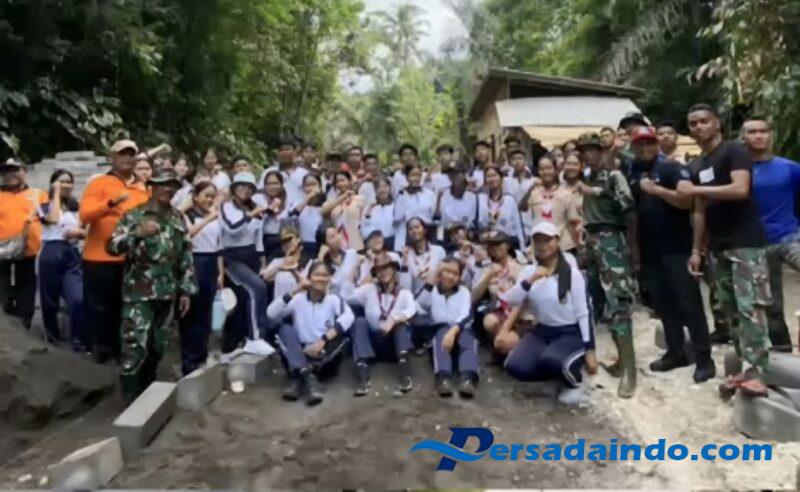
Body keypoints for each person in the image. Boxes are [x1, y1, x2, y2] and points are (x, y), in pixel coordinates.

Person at [679, 104, 771, 397]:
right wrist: (696, 250)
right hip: (717, 246)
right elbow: (699, 211)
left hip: (746, 242)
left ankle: (757, 372)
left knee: (751, 307)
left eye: (704, 121)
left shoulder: (734, 151)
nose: (699, 127)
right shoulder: (697, 164)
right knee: (729, 311)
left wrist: (695, 190)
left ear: (717, 123)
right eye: (693, 123)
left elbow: (740, 189)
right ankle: (745, 367)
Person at [627, 127, 715, 382]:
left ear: (656, 144)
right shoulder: (634, 171)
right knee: (664, 304)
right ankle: (675, 352)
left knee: (689, 304)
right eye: (639, 144)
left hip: (677, 248)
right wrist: (634, 247)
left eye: (648, 143)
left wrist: (657, 191)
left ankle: (704, 359)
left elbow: (686, 199)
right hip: (650, 249)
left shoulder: (670, 168)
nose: (644, 148)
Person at [106, 169, 196, 403]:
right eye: (163, 184)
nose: (168, 189)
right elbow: (112, 246)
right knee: (135, 345)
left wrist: (185, 290)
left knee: (158, 345)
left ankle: (147, 393)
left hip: (167, 293)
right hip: (138, 293)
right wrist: (137, 233)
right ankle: (130, 397)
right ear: (152, 187)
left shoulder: (177, 218)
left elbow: (186, 254)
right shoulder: (134, 215)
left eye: (172, 186)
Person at [501, 221, 597, 404]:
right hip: (543, 331)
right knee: (514, 366)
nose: (542, 245)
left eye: (547, 240)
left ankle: (578, 382)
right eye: (538, 241)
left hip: (571, 331)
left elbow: (584, 312)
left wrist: (590, 349)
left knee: (551, 360)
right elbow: (511, 299)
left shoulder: (571, 273)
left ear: (557, 241)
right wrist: (532, 278)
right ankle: (554, 378)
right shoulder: (529, 271)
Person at [575, 132, 637, 398]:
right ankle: (621, 361)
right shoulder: (588, 177)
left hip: (612, 240)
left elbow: (629, 210)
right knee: (601, 303)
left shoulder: (614, 176)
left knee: (619, 303)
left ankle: (630, 373)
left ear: (602, 151)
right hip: (593, 241)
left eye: (592, 149)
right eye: (583, 151)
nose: (587, 154)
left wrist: (633, 248)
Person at [80, 139, 150, 362]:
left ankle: (123, 351)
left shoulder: (143, 187)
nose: (127, 158)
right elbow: (85, 216)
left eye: (131, 154)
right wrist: (111, 203)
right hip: (99, 257)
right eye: (122, 154)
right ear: (112, 158)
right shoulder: (99, 183)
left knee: (127, 306)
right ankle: (101, 349)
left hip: (132, 259)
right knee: (99, 307)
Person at [744, 116, 800, 352]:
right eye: (752, 132)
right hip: (758, 243)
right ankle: (782, 349)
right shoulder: (739, 171)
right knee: (771, 303)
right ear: (743, 137)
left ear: (770, 135)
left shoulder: (791, 168)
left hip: (790, 237)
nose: (758, 136)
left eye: (763, 131)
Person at [268, 261, 355, 406]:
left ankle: (299, 379)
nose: (321, 278)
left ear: (329, 279)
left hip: (323, 356)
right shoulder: (298, 299)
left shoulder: (333, 299)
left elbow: (348, 317)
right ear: (309, 278)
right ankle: (308, 378)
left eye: (325, 275)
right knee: (284, 329)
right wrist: (296, 290)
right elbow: (271, 313)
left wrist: (322, 340)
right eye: (317, 275)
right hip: (300, 352)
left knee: (342, 334)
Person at [345, 253, 417, 395]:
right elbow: (346, 296)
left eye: (387, 268)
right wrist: (355, 267)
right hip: (373, 345)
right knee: (360, 322)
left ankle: (405, 375)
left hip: (393, 345)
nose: (383, 272)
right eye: (379, 270)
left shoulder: (404, 293)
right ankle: (363, 376)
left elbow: (411, 309)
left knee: (401, 326)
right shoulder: (368, 290)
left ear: (394, 270)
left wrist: (393, 319)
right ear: (375, 273)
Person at [219, 171, 273, 358]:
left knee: (247, 298)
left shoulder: (255, 207)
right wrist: (251, 215)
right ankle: (254, 338)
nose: (246, 190)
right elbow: (231, 228)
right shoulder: (226, 207)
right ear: (234, 188)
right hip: (232, 256)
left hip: (251, 255)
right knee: (255, 288)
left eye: (250, 187)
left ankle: (238, 342)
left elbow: (258, 236)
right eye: (241, 186)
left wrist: (262, 261)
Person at [37, 170, 87, 350]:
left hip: (71, 252)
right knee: (49, 299)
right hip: (51, 250)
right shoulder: (44, 205)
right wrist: (56, 192)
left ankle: (79, 339)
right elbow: (53, 219)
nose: (65, 185)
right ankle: (51, 335)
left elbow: (83, 229)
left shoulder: (76, 208)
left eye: (68, 182)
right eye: (61, 181)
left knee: (78, 297)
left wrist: (79, 233)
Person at [416, 257, 478, 398]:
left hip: (460, 331)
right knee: (441, 333)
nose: (450, 276)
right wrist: (431, 281)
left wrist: (453, 331)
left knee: (467, 337)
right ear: (440, 273)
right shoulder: (431, 290)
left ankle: (468, 378)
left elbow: (467, 316)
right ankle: (443, 379)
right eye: (447, 271)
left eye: (455, 273)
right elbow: (418, 305)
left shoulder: (464, 292)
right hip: (440, 335)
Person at [180, 181, 224, 376]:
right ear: (195, 196)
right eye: (206, 195)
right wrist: (207, 219)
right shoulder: (186, 215)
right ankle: (189, 360)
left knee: (207, 312)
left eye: (212, 196)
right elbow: (187, 236)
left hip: (211, 262)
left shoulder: (214, 215)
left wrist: (220, 272)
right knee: (193, 312)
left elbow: (218, 245)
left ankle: (201, 355)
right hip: (194, 261)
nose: (210, 200)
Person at [0, 159, 48, 331]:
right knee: (2, 296)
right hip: (1, 255)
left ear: (24, 171)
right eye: (6, 171)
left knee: (26, 296)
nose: (10, 174)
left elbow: (50, 218)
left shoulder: (39, 195)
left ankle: (24, 330)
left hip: (29, 253)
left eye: (14, 169)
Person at [470, 230, 523, 353]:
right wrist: (488, 275)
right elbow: (473, 297)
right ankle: (504, 349)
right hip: (501, 313)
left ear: (507, 245)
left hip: (520, 313)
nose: (494, 248)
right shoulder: (487, 269)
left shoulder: (520, 266)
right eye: (491, 245)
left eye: (498, 244)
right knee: (490, 321)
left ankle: (516, 348)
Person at [522, 155, 582, 254]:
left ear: (555, 170)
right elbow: (522, 208)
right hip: (540, 247)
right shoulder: (534, 193)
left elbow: (574, 221)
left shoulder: (566, 193)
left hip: (562, 246)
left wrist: (578, 242)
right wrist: (530, 188)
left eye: (549, 168)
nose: (545, 172)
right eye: (542, 169)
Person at [478, 166, 526, 250]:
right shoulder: (480, 199)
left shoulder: (510, 200)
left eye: (494, 175)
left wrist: (522, 248)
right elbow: (478, 224)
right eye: (488, 176)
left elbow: (518, 227)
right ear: (485, 180)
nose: (492, 179)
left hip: (508, 244)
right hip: (488, 244)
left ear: (501, 178)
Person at [401, 217, 446, 295]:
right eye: (410, 229)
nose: (414, 230)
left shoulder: (439, 250)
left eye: (417, 227)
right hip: (417, 298)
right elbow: (405, 287)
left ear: (425, 230)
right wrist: (405, 260)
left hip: (438, 295)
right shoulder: (406, 255)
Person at [394, 166, 436, 249]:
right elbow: (397, 217)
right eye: (412, 175)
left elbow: (433, 215)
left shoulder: (429, 194)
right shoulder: (402, 194)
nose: (416, 178)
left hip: (427, 233)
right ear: (407, 178)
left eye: (418, 175)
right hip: (409, 235)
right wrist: (403, 197)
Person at [437, 162, 479, 244]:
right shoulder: (443, 193)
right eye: (450, 174)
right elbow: (438, 221)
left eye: (456, 173)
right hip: (446, 238)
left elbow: (476, 223)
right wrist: (440, 241)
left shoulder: (473, 196)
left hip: (467, 238)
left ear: (464, 174)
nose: (453, 176)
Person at [322, 171, 365, 251]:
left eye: (342, 180)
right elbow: (322, 211)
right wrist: (342, 197)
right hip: (338, 246)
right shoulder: (333, 201)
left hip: (356, 243)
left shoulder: (360, 199)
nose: (340, 183)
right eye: (337, 181)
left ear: (349, 181)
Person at [260, 138, 308, 207]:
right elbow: (261, 193)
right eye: (281, 150)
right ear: (277, 153)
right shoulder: (268, 172)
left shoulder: (304, 173)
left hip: (300, 211)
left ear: (295, 152)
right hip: (275, 211)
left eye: (288, 149)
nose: (284, 152)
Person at [314, 225, 360, 295]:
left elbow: (358, 278)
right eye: (332, 237)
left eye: (337, 233)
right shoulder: (320, 264)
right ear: (325, 244)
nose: (337, 238)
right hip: (334, 298)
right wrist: (322, 259)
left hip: (353, 294)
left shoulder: (351, 254)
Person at [291, 173, 325, 258]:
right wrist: (308, 198)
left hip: (321, 246)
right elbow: (292, 217)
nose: (310, 188)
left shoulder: (326, 205)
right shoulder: (297, 203)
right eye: (307, 185)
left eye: (313, 184)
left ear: (320, 186)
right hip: (303, 246)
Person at [260, 170, 290, 262]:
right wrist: (271, 207)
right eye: (269, 184)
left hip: (283, 241)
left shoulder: (286, 199)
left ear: (281, 184)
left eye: (276, 183)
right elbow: (257, 220)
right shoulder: (259, 198)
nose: (272, 187)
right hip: (263, 242)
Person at [361, 178, 396, 251]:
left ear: (389, 188)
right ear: (375, 190)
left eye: (384, 186)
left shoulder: (396, 205)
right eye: (378, 187)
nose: (382, 189)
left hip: (393, 243)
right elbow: (364, 227)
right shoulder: (370, 208)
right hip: (375, 245)